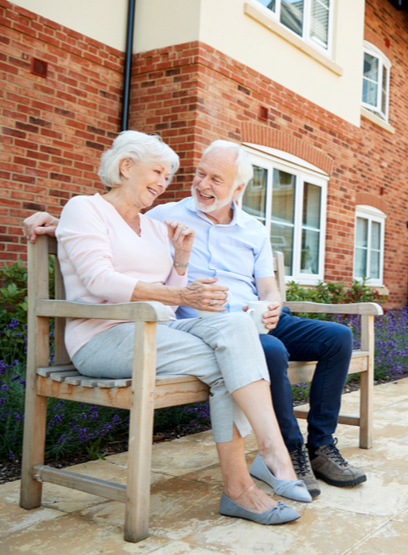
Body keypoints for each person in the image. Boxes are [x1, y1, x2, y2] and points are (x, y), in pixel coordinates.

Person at [24, 139, 366, 498]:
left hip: (245, 317)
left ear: (238, 188)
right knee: (266, 351)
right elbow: (109, 226)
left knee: (337, 337)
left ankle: (319, 447)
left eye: (215, 179)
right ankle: (286, 452)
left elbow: (266, 286)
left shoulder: (246, 228)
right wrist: (59, 222)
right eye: (199, 174)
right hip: (183, 324)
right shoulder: (164, 214)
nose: (202, 185)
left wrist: (271, 304)